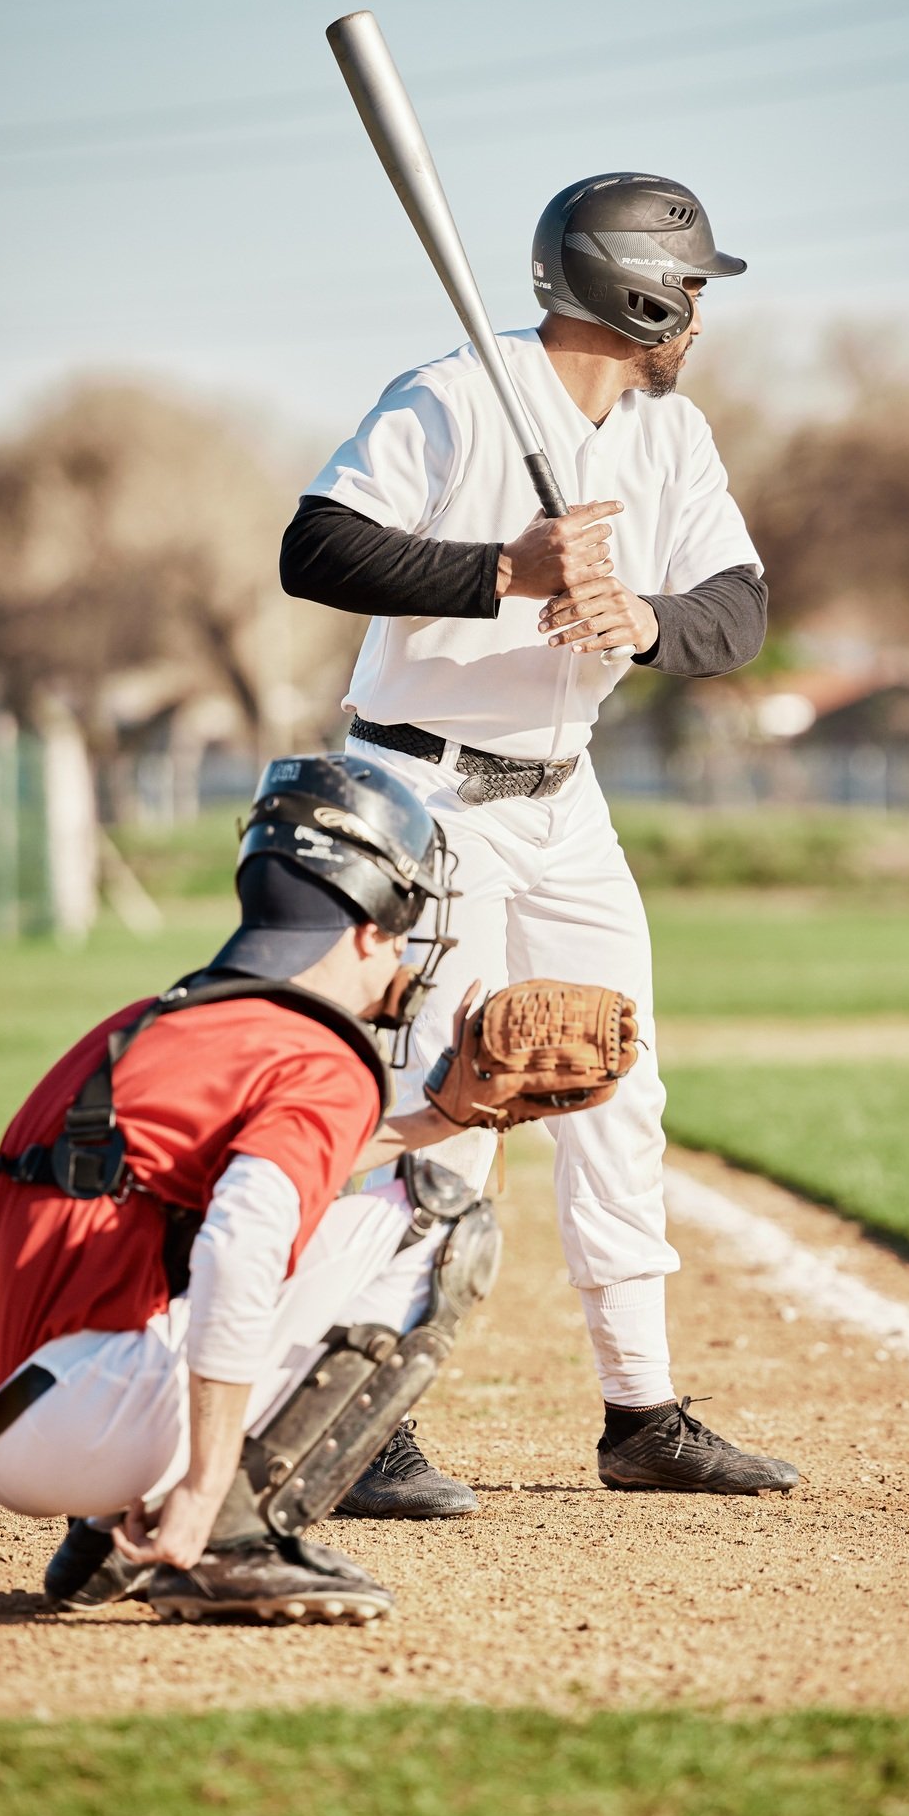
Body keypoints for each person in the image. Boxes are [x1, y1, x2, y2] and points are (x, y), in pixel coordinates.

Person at [282, 172, 800, 1514]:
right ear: (632, 286)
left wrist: (641, 624)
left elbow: (735, 612)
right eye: (687, 286)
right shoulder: (454, 394)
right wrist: (498, 572)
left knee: (613, 1082)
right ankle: (369, 1420)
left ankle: (643, 1415)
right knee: (442, 1100)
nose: (695, 312)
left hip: (562, 804)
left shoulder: (667, 436)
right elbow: (315, 546)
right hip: (421, 797)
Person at [0, 753, 518, 1625]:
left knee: (283, 1215)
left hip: (0, 1417)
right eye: (402, 929)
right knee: (438, 1217)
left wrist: (436, 1117)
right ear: (368, 927)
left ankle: (107, 1527)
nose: (404, 954)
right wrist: (207, 1481)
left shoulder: (159, 1019)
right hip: (88, 1423)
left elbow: (264, 1165)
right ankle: (230, 1530)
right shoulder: (318, 1054)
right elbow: (240, 1244)